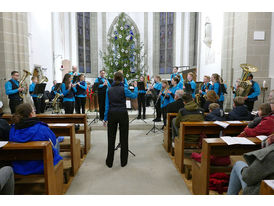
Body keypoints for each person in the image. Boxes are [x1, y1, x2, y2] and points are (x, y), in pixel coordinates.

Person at [9, 103, 62, 175]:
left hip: (20, 167)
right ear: (31, 114)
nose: (35, 112)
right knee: (56, 142)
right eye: (34, 111)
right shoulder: (42, 128)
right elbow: (53, 141)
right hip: (42, 166)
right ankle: (56, 175)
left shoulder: (13, 130)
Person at [103, 72, 138, 168]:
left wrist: (105, 119)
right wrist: (136, 87)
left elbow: (107, 105)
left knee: (111, 138)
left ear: (114, 79)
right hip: (122, 113)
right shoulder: (124, 89)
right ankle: (123, 162)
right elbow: (134, 96)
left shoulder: (108, 90)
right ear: (122, 79)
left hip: (112, 114)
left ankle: (109, 162)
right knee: (124, 137)